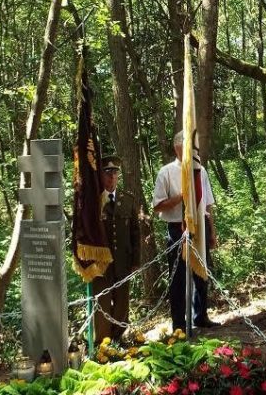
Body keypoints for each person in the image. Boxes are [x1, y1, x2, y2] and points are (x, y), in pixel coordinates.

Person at [153, 131, 220, 331]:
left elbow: (207, 205)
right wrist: (181, 197)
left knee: (201, 274)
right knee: (178, 278)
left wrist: (213, 232)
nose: (191, 151)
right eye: (187, 146)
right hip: (176, 228)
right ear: (177, 148)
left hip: (200, 226)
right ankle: (179, 324)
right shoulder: (166, 172)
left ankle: (200, 316)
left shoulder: (201, 171)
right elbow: (157, 206)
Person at [92, 155, 140, 344]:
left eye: (115, 174)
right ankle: (102, 345)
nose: (112, 178)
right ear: (101, 177)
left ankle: (118, 341)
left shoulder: (127, 200)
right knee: (102, 304)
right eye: (107, 174)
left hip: (123, 261)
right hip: (101, 264)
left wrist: (136, 261)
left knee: (121, 304)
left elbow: (135, 232)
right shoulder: (94, 203)